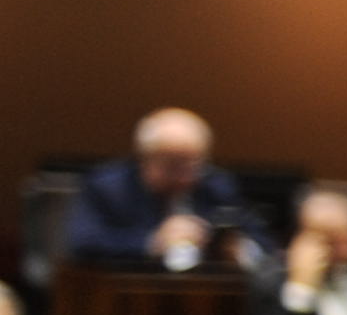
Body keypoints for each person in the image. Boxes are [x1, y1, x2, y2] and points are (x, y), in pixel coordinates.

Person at [68, 106, 265, 271]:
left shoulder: (216, 185)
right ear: (145, 159)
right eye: (174, 166)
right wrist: (151, 242)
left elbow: (264, 243)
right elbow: (82, 244)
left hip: (204, 296)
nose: (185, 176)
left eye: (195, 165)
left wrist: (239, 249)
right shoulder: (108, 187)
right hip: (131, 296)